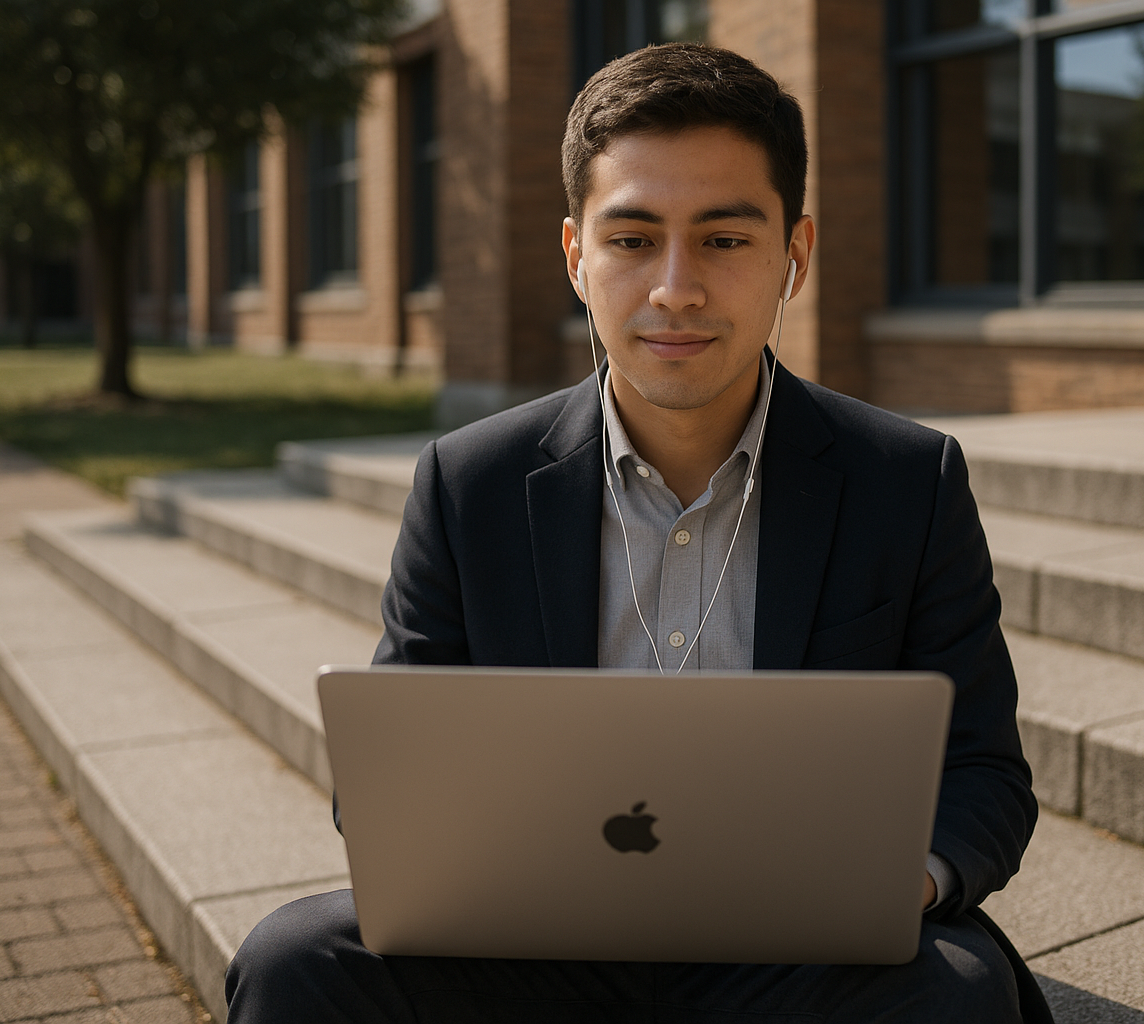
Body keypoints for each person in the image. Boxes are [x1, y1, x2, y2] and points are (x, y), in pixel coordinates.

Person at [226, 42, 1040, 1024]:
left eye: (725, 240)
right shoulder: (470, 484)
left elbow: (984, 772)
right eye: (633, 239)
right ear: (577, 257)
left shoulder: (906, 480)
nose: (675, 288)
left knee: (958, 991)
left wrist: (895, 885)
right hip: (535, 945)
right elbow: (388, 786)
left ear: (796, 254)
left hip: (801, 948)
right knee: (292, 962)